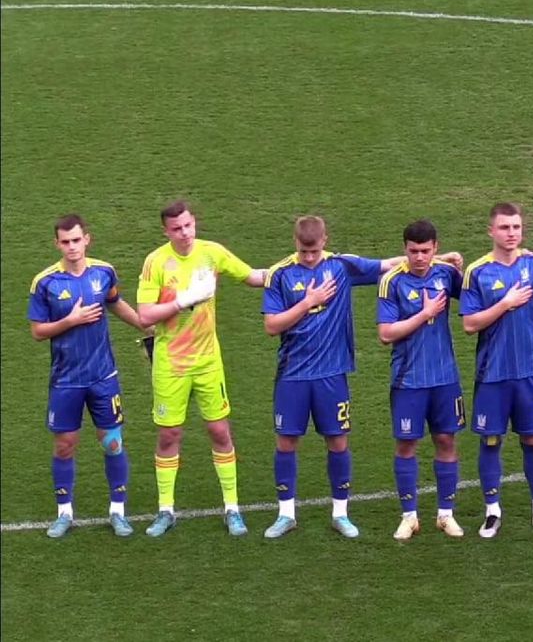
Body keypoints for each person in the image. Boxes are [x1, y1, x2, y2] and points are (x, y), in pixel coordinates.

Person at [260, 216, 415, 539]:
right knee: (286, 441)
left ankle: (340, 514)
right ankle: (286, 514)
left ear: (325, 241)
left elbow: (389, 265)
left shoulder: (341, 266)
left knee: (338, 440)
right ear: (295, 243)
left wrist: (442, 259)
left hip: (332, 374)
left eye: (314, 251)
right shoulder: (280, 274)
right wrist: (308, 302)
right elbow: (272, 326)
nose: (309, 257)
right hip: (292, 374)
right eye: (304, 251)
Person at [136, 200, 266, 537]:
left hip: (208, 362)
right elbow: (144, 315)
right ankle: (166, 510)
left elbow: (254, 277)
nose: (184, 233)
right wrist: (185, 299)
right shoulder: (156, 262)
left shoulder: (212, 253)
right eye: (176, 229)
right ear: (166, 231)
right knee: (169, 434)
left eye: (188, 225)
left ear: (194, 222)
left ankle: (232, 508)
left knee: (220, 431)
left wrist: (297, 266)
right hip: (170, 364)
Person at [461, 202, 533, 538]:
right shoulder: (477, 272)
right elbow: (470, 324)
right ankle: (492, 512)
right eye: (504, 227)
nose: (511, 233)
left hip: (530, 371)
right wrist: (505, 304)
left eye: (516, 227)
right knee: (491, 440)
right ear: (491, 231)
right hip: (492, 374)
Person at [29, 215, 148, 538]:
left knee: (112, 443)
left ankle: (118, 512)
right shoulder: (45, 282)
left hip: (103, 377)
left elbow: (115, 302)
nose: (72, 247)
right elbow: (38, 331)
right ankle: (64, 513)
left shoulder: (104, 272)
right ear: (57, 244)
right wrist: (71, 320)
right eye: (65, 242)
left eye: (76, 240)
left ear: (87, 240)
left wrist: (143, 324)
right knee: (65, 445)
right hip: (65, 380)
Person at [377, 220, 467, 541]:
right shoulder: (391, 282)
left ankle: (446, 514)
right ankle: (409, 517)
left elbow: (474, 296)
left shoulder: (446, 274)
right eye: (413, 251)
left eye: (425, 251)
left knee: (446, 441)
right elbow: (386, 333)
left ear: (435, 248)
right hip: (408, 380)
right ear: (405, 249)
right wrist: (424, 314)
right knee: (406, 445)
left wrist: (459, 266)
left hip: (444, 377)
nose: (419, 257)